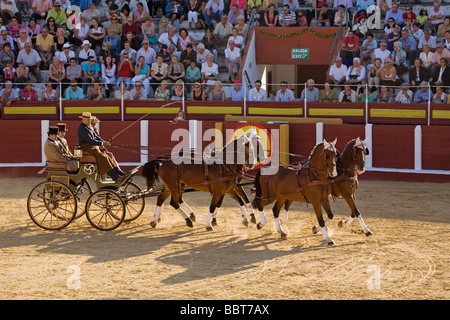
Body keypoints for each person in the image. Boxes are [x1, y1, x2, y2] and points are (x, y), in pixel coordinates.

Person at [77, 112, 125, 182]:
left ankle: (119, 173)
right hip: (87, 148)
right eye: (87, 120)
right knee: (103, 157)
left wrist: (104, 142)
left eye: (89, 119)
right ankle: (115, 177)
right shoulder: (82, 128)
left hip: (92, 147)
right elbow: (90, 140)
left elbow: (96, 137)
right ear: (83, 120)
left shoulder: (87, 127)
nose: (89, 121)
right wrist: (102, 143)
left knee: (107, 156)